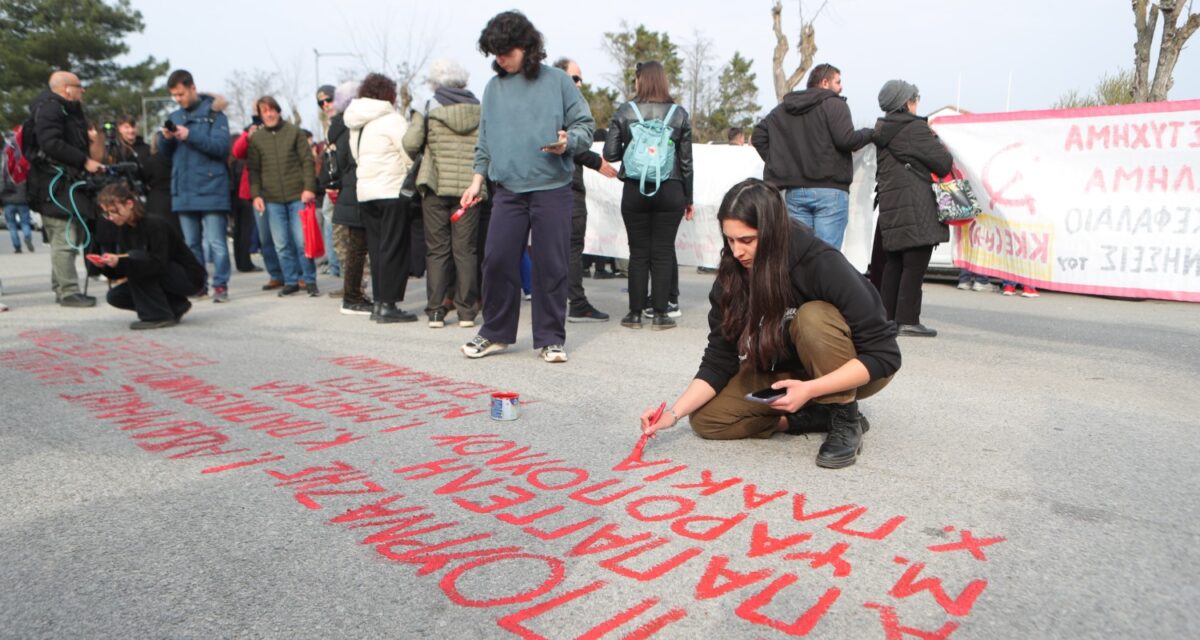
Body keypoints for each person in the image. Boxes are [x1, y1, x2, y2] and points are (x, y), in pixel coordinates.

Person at [639, 178, 900, 469]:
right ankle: (810, 417)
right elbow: (719, 359)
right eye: (730, 240)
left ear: (773, 232)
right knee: (706, 420)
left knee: (812, 317)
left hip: (851, 366)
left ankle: (843, 417)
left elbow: (885, 355)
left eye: (747, 240)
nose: (737, 252)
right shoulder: (733, 275)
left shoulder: (820, 263)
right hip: (788, 371)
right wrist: (672, 415)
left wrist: (812, 389)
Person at [459, 11, 595, 363]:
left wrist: (569, 142)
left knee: (552, 264)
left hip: (552, 186)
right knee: (497, 259)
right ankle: (495, 333)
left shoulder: (558, 82)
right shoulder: (494, 88)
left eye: (506, 52)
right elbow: (485, 139)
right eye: (495, 54)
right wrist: (477, 180)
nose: (500, 59)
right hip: (507, 189)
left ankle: (551, 338)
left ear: (527, 46)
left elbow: (584, 124)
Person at [603, 60, 694, 331]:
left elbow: (610, 154)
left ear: (640, 80)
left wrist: (634, 146)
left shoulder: (625, 111)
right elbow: (687, 161)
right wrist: (688, 198)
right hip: (671, 188)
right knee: (664, 251)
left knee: (638, 251)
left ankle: (634, 314)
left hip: (635, 188)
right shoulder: (678, 113)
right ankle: (660, 314)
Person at [752, 63, 873, 251]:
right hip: (830, 190)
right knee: (827, 257)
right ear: (825, 83)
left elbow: (758, 136)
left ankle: (800, 282)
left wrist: (781, 163)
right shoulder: (835, 104)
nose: (841, 87)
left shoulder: (785, 108)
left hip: (796, 192)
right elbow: (846, 140)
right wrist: (870, 133)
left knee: (799, 255)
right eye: (838, 82)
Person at [402, 59, 484, 328]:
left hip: (435, 186)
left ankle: (436, 311)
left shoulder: (427, 107)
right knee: (466, 251)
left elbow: (410, 143)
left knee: (437, 250)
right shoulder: (481, 109)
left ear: (436, 81)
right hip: (469, 189)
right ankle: (467, 312)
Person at [872, 80, 953, 338]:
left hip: (893, 208)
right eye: (915, 98)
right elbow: (943, 163)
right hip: (916, 207)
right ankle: (907, 319)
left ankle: (889, 320)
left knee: (894, 263)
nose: (918, 103)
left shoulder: (883, 130)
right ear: (906, 103)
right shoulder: (915, 130)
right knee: (914, 265)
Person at [26, 70, 105, 307]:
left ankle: (62, 286)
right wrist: (83, 161)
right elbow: (51, 143)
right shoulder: (51, 108)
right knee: (65, 236)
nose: (82, 91)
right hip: (54, 185)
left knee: (68, 234)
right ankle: (69, 291)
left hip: (62, 183)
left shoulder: (64, 110)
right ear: (66, 88)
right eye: (80, 86)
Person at [345, 73, 418, 323]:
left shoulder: (357, 123)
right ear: (389, 94)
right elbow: (408, 152)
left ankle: (378, 302)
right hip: (391, 189)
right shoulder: (392, 119)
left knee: (376, 249)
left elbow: (356, 156)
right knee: (394, 248)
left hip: (366, 191)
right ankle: (389, 304)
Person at [554, 57, 618, 324]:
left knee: (557, 247)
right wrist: (596, 162)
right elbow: (570, 145)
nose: (580, 84)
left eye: (580, 78)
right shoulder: (563, 107)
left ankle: (556, 300)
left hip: (554, 185)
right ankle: (577, 304)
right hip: (566, 185)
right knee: (571, 247)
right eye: (575, 78)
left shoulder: (553, 105)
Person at [160, 69, 232, 303]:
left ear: (192, 88)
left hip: (211, 187)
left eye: (181, 94)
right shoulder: (175, 116)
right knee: (191, 244)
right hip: (184, 188)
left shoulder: (215, 114)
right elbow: (165, 156)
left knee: (216, 242)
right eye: (174, 96)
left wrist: (190, 136)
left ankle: (220, 285)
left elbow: (221, 148)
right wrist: (166, 139)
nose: (178, 99)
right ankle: (198, 284)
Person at [92, 183, 206, 330]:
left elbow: (157, 263)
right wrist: (107, 265)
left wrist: (125, 261)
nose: (111, 217)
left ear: (129, 204)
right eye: (106, 213)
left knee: (137, 261)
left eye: (114, 211)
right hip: (160, 272)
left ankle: (158, 315)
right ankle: (175, 306)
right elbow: (126, 267)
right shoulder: (124, 229)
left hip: (186, 277)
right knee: (115, 296)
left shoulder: (154, 223)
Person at [248, 96, 319, 297]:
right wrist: (256, 195)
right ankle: (290, 280)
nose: (269, 114)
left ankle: (310, 280)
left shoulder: (294, 132)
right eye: (264, 111)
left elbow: (307, 161)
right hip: (271, 198)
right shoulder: (256, 139)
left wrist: (309, 188)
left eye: (272, 110)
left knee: (302, 241)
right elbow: (253, 169)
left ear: (278, 111)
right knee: (281, 243)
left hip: (298, 195)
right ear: (260, 116)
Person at [326, 81, 372, 315]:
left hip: (347, 190)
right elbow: (354, 160)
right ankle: (353, 297)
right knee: (357, 248)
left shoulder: (336, 126)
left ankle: (354, 294)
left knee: (354, 247)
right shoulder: (352, 127)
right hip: (357, 190)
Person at [316, 85, 342, 280]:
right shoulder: (328, 123)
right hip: (331, 183)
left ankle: (341, 268)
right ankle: (335, 266)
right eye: (321, 102)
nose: (325, 104)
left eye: (329, 99)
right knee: (329, 221)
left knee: (340, 227)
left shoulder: (345, 119)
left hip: (344, 182)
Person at [2, 129, 33, 253]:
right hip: (23, 199)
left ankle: (17, 247)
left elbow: (1, 181)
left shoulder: (5, 162)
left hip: (7, 200)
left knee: (12, 225)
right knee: (25, 222)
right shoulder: (24, 162)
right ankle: (27, 237)